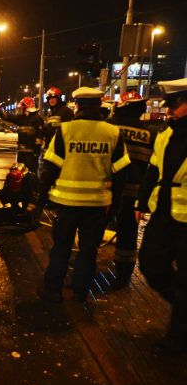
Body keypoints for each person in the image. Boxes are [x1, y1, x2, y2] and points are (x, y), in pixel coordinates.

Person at [33, 87, 130, 303]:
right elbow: (121, 173)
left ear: (77, 105)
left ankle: (52, 289)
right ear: (99, 105)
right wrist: (115, 205)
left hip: (66, 203)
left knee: (61, 246)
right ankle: (80, 291)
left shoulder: (66, 131)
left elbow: (49, 168)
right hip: (97, 204)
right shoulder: (113, 133)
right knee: (88, 250)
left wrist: (40, 200)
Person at [137, 78, 187, 355]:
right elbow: (153, 171)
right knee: (150, 265)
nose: (169, 111)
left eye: (175, 104)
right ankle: (182, 305)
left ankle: (177, 337)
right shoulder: (166, 134)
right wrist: (141, 202)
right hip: (164, 214)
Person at [107, 91, 157, 290]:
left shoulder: (109, 126)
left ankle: (85, 265)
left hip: (107, 189)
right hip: (133, 193)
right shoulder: (150, 133)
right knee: (128, 234)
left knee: (94, 229)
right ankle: (123, 275)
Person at [0, 97, 44, 173]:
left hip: (31, 155)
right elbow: (8, 117)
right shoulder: (22, 118)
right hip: (21, 153)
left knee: (30, 174)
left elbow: (39, 137)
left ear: (28, 107)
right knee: (20, 174)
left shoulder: (36, 119)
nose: (21, 110)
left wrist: (36, 152)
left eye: (23, 108)